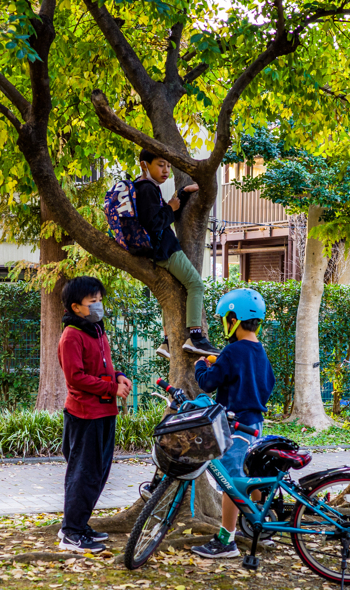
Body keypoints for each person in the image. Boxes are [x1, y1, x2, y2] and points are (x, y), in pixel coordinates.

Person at [190, 288, 275, 558]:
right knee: (251, 478)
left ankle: (226, 540)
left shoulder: (231, 351)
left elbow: (207, 384)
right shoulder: (259, 351)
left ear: (233, 319)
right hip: (256, 426)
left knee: (231, 482)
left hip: (236, 427)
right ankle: (259, 527)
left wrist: (201, 365)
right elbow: (268, 384)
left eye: (224, 319)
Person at [57, 276, 132, 552]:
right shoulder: (71, 336)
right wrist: (111, 388)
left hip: (104, 412)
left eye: (100, 300)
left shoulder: (97, 330)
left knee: (98, 474)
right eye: (93, 302)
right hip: (84, 415)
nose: (99, 305)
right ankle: (71, 533)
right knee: (83, 474)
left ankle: (80, 524)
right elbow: (75, 378)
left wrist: (120, 377)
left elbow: (104, 366)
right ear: (76, 307)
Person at [133, 149, 220, 359]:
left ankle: (167, 342)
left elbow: (163, 213)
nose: (166, 170)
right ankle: (196, 337)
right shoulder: (146, 189)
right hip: (166, 250)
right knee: (196, 284)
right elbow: (156, 223)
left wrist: (181, 194)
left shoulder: (142, 187)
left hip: (155, 251)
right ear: (145, 165)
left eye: (169, 166)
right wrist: (171, 207)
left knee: (175, 290)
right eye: (161, 164)